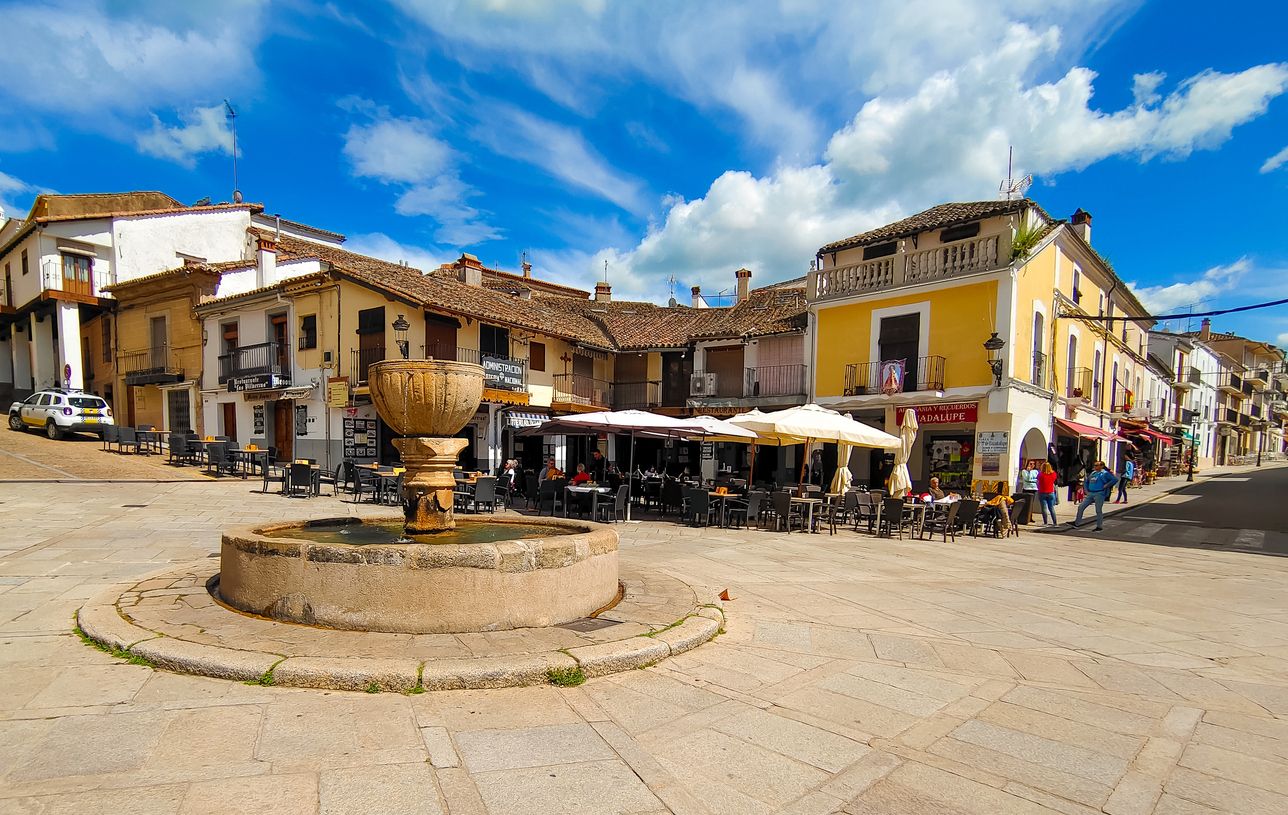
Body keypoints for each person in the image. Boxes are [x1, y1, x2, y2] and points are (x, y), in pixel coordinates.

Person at [1071, 461, 1117, 531]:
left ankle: (1099, 526)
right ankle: (1077, 523)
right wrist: (1086, 490)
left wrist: (1106, 485)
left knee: (1098, 510)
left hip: (1099, 493)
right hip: (1091, 493)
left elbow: (1115, 479)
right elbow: (1086, 481)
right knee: (1081, 507)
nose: (1095, 467)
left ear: (1101, 466)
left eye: (1096, 465)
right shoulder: (1093, 473)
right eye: (1094, 465)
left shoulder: (1105, 473)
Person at [1037, 462, 1059, 526]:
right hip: (1051, 492)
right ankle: (1055, 523)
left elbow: (1037, 482)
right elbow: (1054, 480)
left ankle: (1045, 522)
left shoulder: (1040, 474)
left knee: (1044, 508)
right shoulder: (1053, 474)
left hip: (1042, 492)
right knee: (1051, 508)